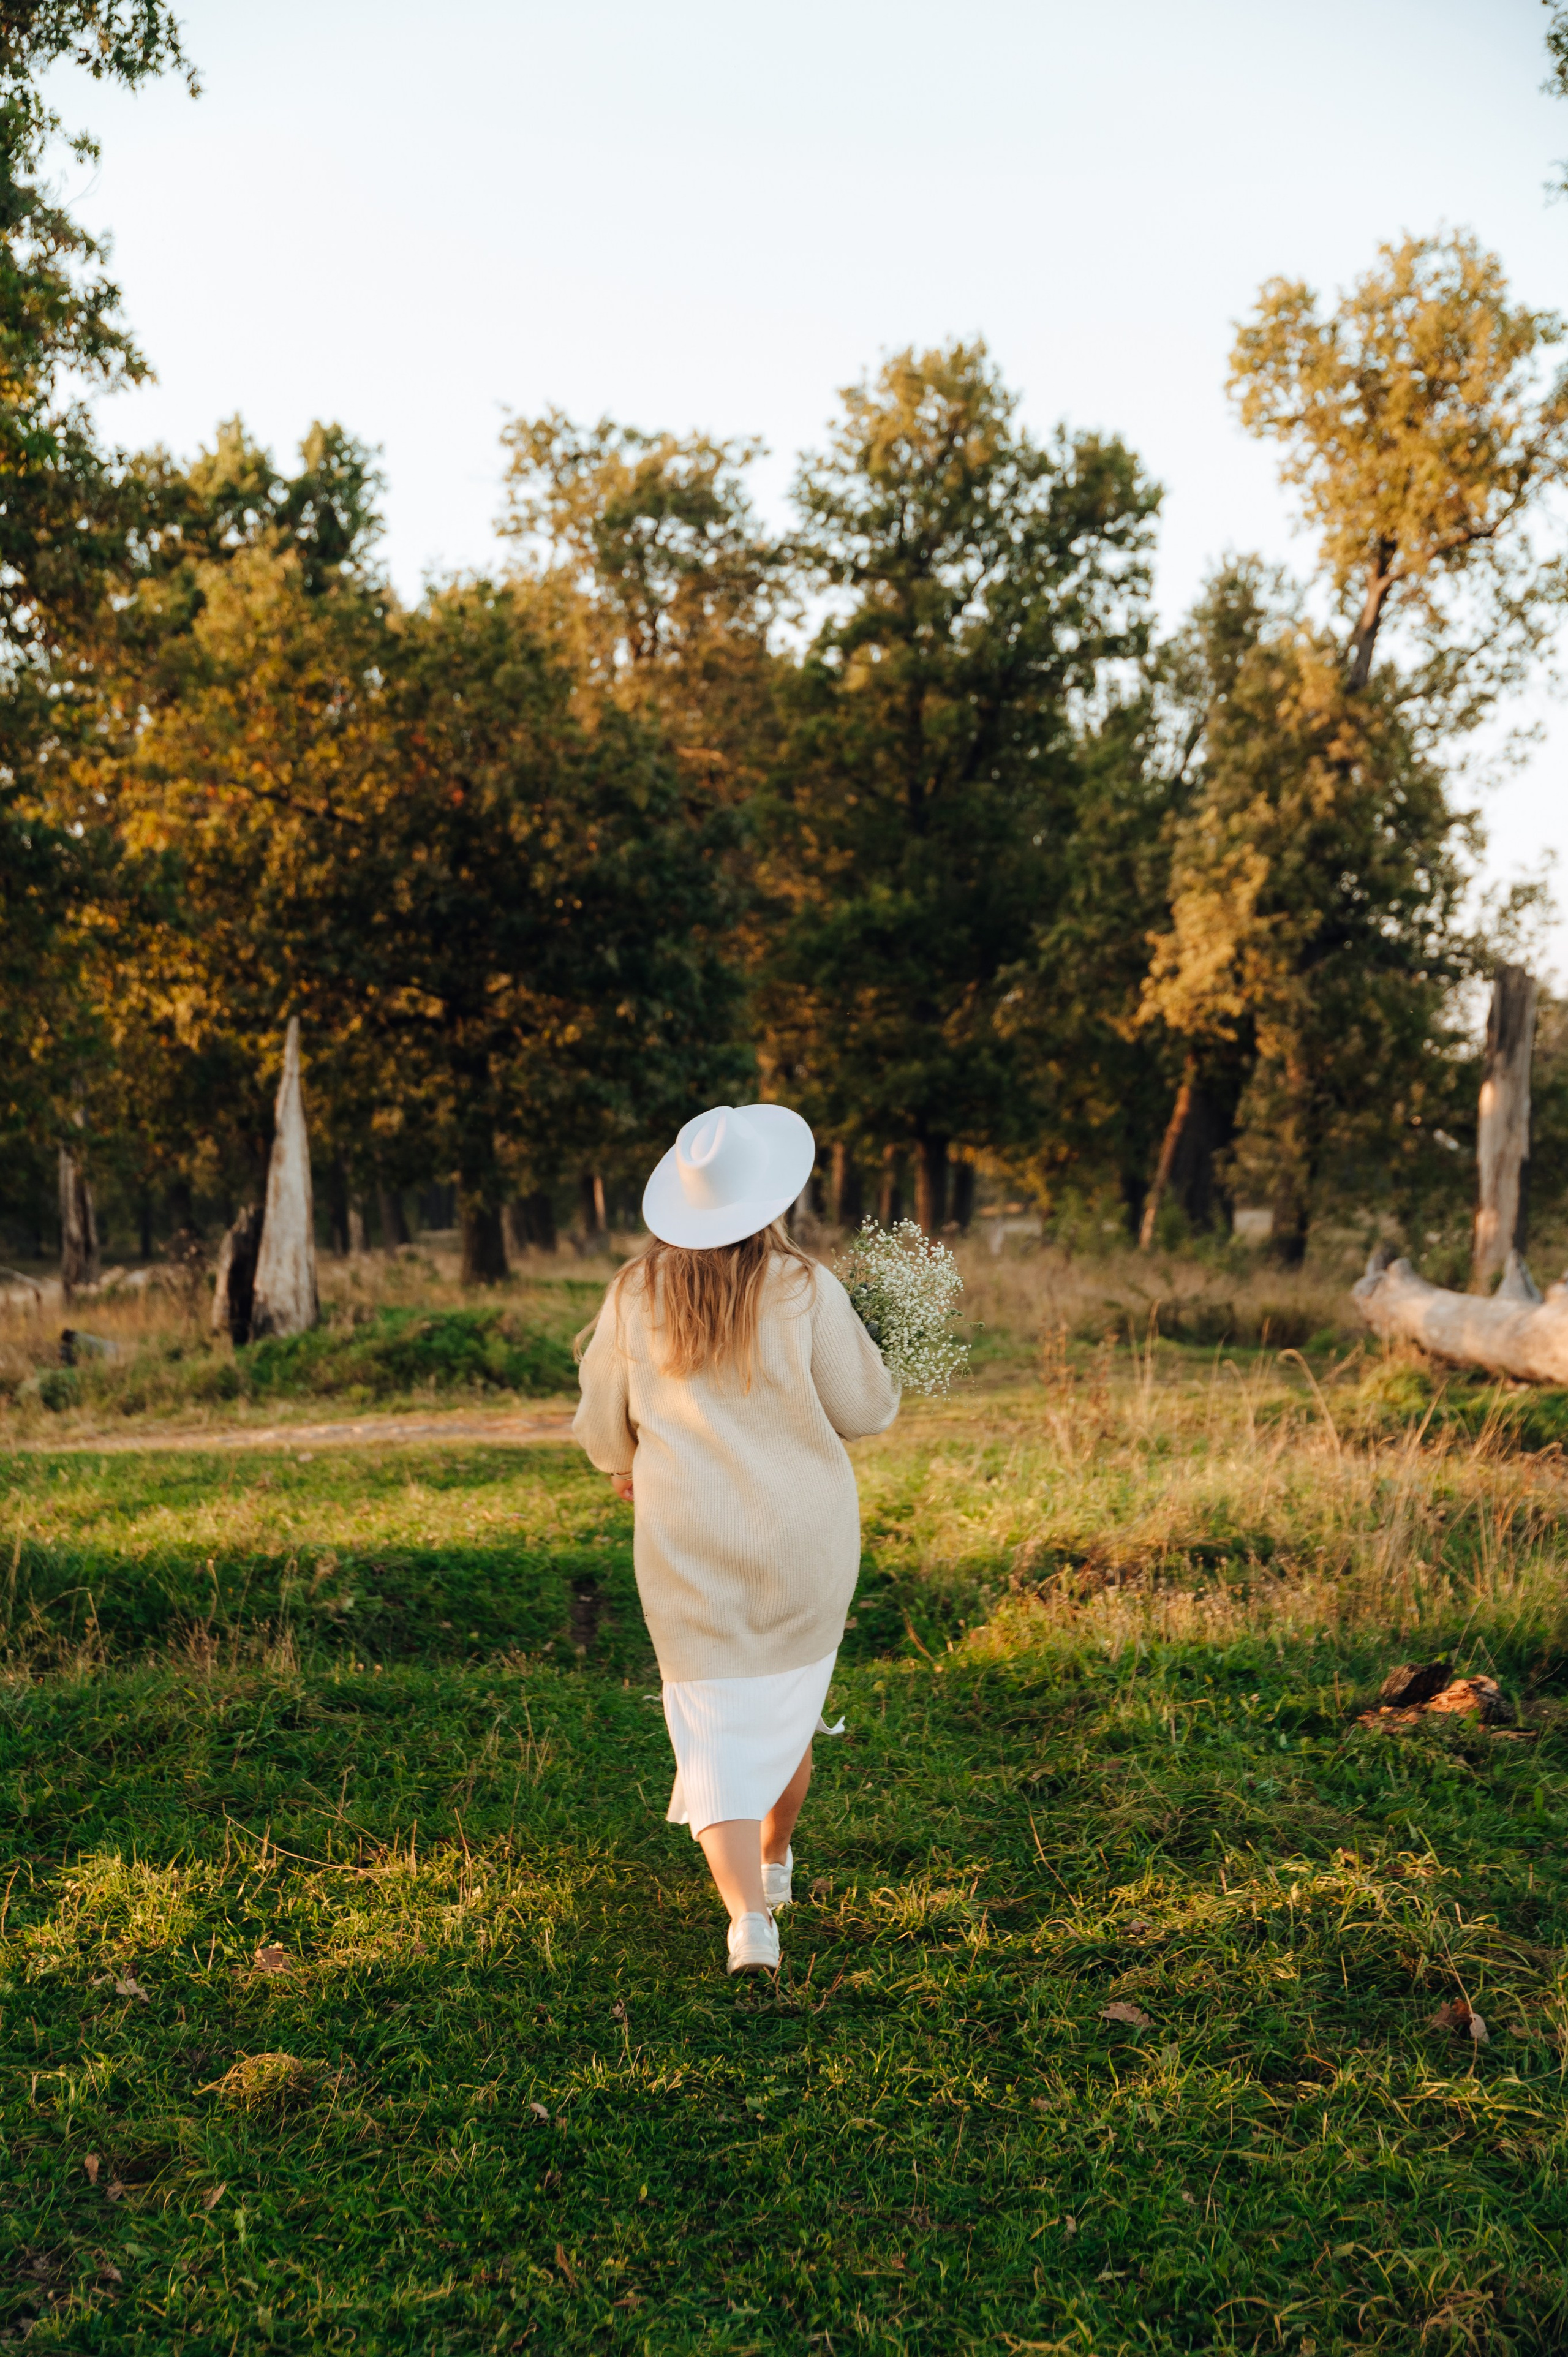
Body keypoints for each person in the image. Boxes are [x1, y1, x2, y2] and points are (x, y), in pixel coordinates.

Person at [573, 1103, 900, 1973]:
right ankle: (774, 1859)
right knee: (785, 1711)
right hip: (806, 1538)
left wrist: (621, 1460)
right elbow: (866, 1410)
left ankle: (748, 1924)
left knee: (712, 1730)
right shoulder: (807, 1289)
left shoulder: (634, 1295)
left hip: (687, 1546)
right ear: (769, 1199)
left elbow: (605, 1425)